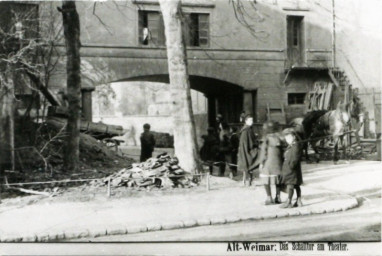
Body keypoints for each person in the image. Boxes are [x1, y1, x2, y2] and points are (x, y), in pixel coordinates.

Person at [259, 121, 284, 205]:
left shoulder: (266, 139)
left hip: (268, 162)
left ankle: (269, 197)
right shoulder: (279, 138)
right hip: (278, 162)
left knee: (266, 178)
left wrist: (261, 163)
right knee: (277, 179)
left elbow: (263, 153)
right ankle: (278, 197)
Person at [280, 130, 303, 208]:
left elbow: (295, 158)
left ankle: (289, 202)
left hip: (292, 169)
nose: (287, 140)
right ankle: (299, 201)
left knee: (290, 184)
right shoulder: (292, 145)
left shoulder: (295, 145)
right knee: (296, 185)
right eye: (286, 139)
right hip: (292, 168)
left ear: (293, 137)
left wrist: (290, 166)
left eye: (289, 138)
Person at [237, 114, 259, 185]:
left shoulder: (249, 129)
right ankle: (249, 179)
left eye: (252, 120)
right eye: (250, 120)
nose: (251, 122)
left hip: (248, 148)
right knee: (257, 155)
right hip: (247, 150)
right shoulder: (246, 130)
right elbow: (248, 142)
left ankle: (249, 179)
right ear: (246, 121)